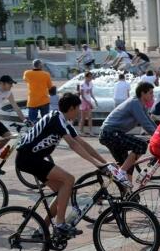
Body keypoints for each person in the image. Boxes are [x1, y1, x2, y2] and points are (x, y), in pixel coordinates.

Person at [16, 93, 110, 236]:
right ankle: (60, 224)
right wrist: (96, 163)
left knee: (63, 190)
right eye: (78, 108)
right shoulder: (56, 118)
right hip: (28, 158)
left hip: (33, 159)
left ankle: (42, 229)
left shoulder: (64, 121)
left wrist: (104, 162)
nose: (79, 111)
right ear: (71, 108)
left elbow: (82, 143)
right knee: (69, 179)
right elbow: (72, 144)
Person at [101, 82, 158, 185]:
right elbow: (144, 123)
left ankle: (128, 194)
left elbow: (149, 121)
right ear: (142, 93)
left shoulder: (141, 105)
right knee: (141, 145)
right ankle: (120, 172)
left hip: (113, 134)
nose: (152, 95)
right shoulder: (135, 103)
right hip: (110, 133)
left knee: (129, 166)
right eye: (150, 93)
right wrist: (159, 136)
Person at [23, 59, 53, 123]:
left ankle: (34, 131)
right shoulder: (46, 74)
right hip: (44, 100)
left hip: (32, 101)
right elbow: (50, 87)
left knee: (32, 121)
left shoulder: (27, 73)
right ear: (40, 65)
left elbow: (25, 80)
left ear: (33, 65)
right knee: (46, 121)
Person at [78, 71, 98, 136]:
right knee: (83, 117)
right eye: (90, 77)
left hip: (88, 101)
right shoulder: (82, 84)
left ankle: (90, 131)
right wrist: (88, 103)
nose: (91, 78)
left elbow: (91, 93)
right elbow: (82, 95)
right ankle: (81, 131)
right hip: (83, 101)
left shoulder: (91, 83)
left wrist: (94, 100)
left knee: (90, 117)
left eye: (91, 77)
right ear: (86, 77)